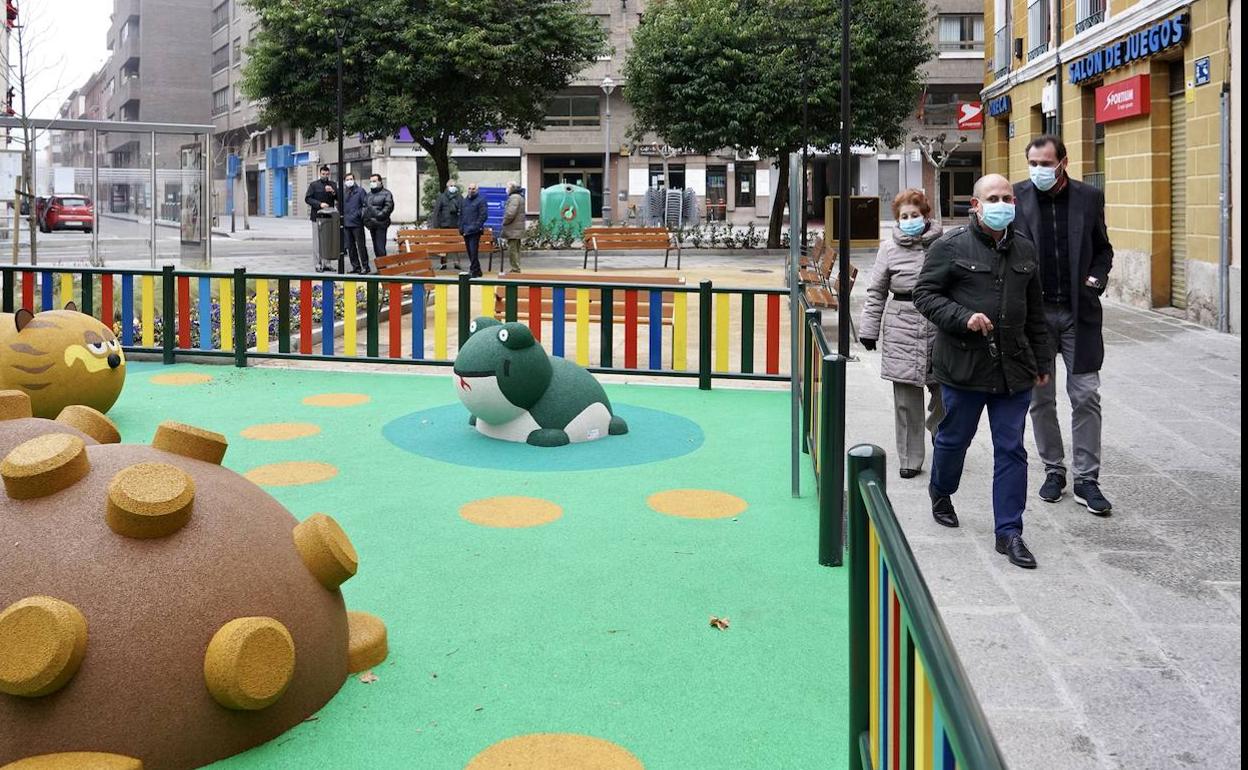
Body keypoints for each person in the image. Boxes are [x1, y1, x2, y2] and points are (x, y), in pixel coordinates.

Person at [913, 173, 1052, 569]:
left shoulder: (1025, 249)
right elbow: (925, 294)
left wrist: (1042, 361)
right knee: (954, 439)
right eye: (993, 197)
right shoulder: (949, 247)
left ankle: (1009, 532)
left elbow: (1035, 313)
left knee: (1012, 449)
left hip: (1013, 369)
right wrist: (963, 317)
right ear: (975, 205)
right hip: (963, 366)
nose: (1002, 203)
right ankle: (941, 491)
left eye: (1008, 197)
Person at [1013, 135, 1114, 515]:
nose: (1038, 169)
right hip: (1034, 317)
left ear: (1063, 162)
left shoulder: (1088, 198)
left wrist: (1096, 279)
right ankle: (1053, 470)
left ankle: (1087, 479)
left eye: (1045, 162)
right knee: (1041, 398)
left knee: (1086, 394)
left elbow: (1103, 248)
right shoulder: (1017, 197)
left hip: (1077, 314)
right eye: (1033, 163)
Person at [859, 189, 946, 479]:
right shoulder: (888, 248)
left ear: (926, 215)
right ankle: (910, 458)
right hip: (901, 325)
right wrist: (869, 330)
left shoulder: (943, 244)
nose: (910, 220)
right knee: (906, 400)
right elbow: (876, 291)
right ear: (897, 219)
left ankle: (938, 428)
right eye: (904, 216)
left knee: (945, 391)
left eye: (915, 215)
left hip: (937, 322)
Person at [304, 164, 337, 271]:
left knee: (328, 240)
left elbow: (338, 197)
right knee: (317, 241)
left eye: (327, 174)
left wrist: (332, 191)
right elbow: (308, 199)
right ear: (320, 173)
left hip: (329, 217)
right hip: (317, 216)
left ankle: (327, 263)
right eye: (323, 174)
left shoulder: (333, 184)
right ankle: (318, 264)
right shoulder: (314, 185)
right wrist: (319, 204)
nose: (325, 176)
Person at [362, 173, 394, 268]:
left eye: (374, 181)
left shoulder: (387, 193)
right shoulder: (368, 195)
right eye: (371, 181)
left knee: (380, 248)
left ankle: (383, 269)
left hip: (381, 224)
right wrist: (365, 220)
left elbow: (388, 207)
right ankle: (380, 268)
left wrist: (379, 215)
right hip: (371, 225)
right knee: (376, 248)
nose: (372, 183)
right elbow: (364, 208)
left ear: (380, 182)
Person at [430, 180, 464, 270]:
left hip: (455, 225)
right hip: (444, 225)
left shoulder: (459, 197)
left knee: (455, 245)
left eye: (454, 185)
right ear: (447, 186)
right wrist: (436, 225)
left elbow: (463, 209)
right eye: (451, 185)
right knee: (444, 245)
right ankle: (443, 263)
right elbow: (436, 211)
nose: (453, 187)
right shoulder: (442, 197)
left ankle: (456, 263)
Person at [341, 173, 369, 274]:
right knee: (350, 247)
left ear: (354, 180)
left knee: (361, 246)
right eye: (347, 179)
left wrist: (358, 214)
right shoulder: (344, 192)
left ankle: (365, 266)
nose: (349, 181)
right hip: (346, 223)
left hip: (357, 223)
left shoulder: (360, 191)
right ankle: (356, 266)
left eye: (351, 179)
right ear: (344, 181)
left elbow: (365, 206)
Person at [459, 182, 488, 278]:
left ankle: (473, 270)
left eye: (473, 189)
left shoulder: (481, 200)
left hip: (475, 231)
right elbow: (462, 215)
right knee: (469, 252)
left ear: (477, 190)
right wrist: (461, 227)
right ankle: (478, 270)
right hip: (465, 230)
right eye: (469, 188)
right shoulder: (465, 200)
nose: (471, 190)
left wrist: (476, 226)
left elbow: (483, 216)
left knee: (473, 251)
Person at [501, 181, 525, 274]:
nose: (506, 189)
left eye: (507, 187)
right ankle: (516, 267)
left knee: (512, 250)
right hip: (517, 229)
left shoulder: (514, 198)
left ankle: (515, 269)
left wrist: (504, 222)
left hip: (513, 229)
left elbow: (510, 213)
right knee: (516, 250)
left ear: (512, 188)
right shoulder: (520, 197)